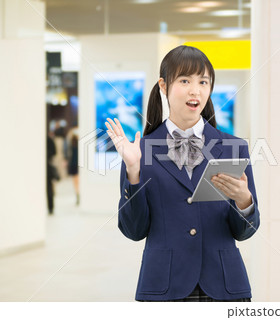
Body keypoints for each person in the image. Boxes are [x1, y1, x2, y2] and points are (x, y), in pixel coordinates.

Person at [105, 45, 260, 302]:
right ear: (164, 86)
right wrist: (133, 171)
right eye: (185, 80)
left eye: (203, 81)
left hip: (223, 286)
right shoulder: (139, 151)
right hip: (163, 286)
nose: (195, 90)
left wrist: (244, 201)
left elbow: (244, 232)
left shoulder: (234, 147)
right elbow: (134, 231)